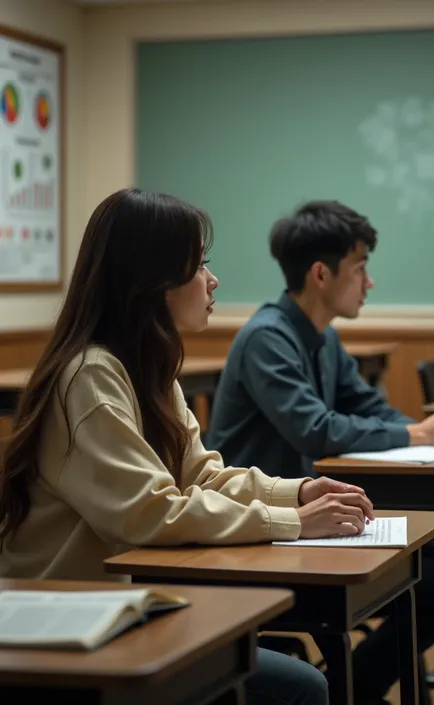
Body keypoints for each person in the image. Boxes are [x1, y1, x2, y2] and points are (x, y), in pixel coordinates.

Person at [0, 190, 374, 705]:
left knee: (287, 674)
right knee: (298, 687)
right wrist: (291, 524)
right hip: (65, 625)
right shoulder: (90, 375)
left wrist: (300, 493)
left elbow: (200, 475)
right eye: (200, 264)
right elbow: (149, 512)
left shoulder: (147, 369)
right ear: (151, 279)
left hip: (126, 605)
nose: (213, 280)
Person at [206, 199, 434, 704]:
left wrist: (430, 433)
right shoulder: (267, 338)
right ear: (321, 273)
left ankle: (355, 687)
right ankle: (356, 689)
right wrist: (418, 437)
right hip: (265, 530)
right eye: (361, 267)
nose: (369, 282)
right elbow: (317, 431)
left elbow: (369, 406)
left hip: (316, 518)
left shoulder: (322, 340)